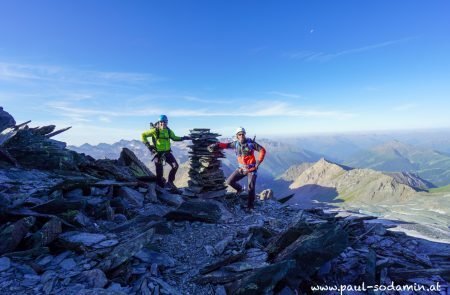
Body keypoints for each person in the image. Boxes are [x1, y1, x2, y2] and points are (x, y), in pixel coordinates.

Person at [209, 127, 266, 211]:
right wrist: (217, 145)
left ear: (245, 134)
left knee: (251, 188)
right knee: (229, 181)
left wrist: (258, 162)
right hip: (241, 169)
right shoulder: (235, 144)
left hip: (251, 169)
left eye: (243, 134)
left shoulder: (251, 143)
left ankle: (250, 207)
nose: (242, 135)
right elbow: (226, 145)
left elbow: (262, 150)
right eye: (240, 134)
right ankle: (239, 189)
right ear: (237, 135)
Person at [141, 115, 191, 192]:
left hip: (167, 152)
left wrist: (183, 138)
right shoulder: (155, 130)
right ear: (159, 122)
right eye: (161, 122)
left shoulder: (168, 131)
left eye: (164, 122)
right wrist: (149, 146)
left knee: (175, 166)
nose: (163, 123)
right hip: (158, 154)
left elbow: (174, 138)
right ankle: (160, 188)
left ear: (167, 123)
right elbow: (143, 135)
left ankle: (170, 182)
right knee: (160, 172)